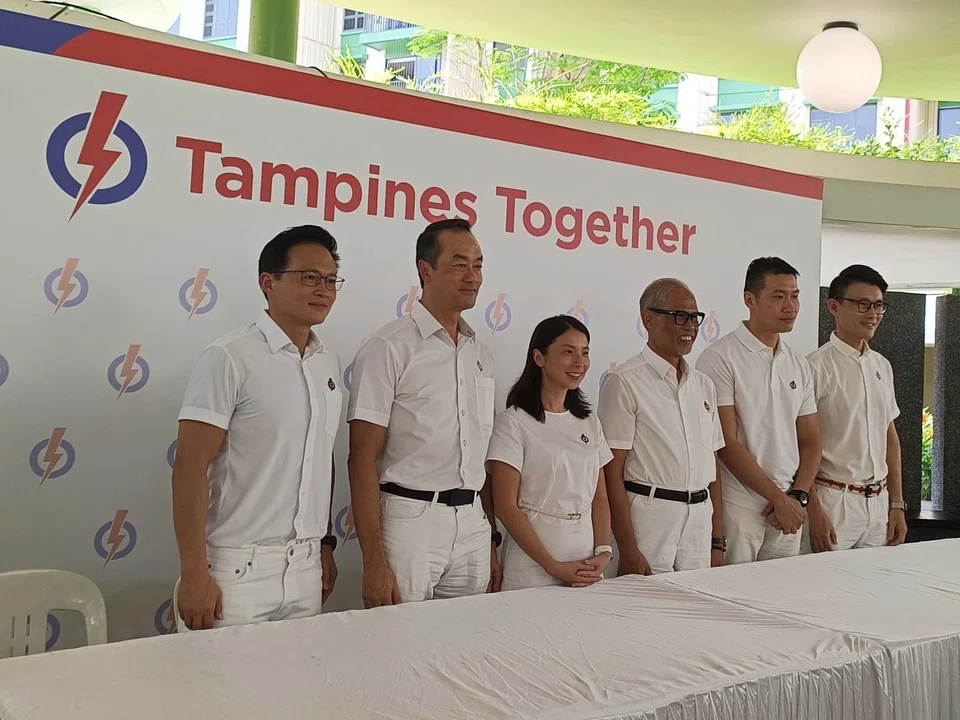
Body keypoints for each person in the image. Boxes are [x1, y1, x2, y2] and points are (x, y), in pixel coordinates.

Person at [172, 225, 343, 630]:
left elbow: (321, 458)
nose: (323, 289)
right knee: (216, 692)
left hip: (305, 567)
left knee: (293, 690)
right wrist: (195, 573)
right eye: (309, 277)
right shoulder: (229, 357)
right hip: (235, 570)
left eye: (331, 280)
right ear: (268, 282)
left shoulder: (327, 362)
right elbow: (190, 466)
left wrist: (325, 543)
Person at [347, 218, 501, 607]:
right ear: (425, 270)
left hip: (472, 522)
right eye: (460, 264)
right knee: (399, 650)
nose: (473, 276)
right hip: (410, 519)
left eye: (478, 265)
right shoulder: (389, 346)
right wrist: (373, 559)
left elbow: (482, 456)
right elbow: (361, 458)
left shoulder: (480, 353)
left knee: (464, 651)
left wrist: (490, 537)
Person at [696, 257, 822, 564]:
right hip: (740, 504)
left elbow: (811, 439)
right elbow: (726, 442)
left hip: (788, 508)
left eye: (794, 296)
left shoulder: (798, 363)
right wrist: (778, 498)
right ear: (749, 299)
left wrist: (798, 496)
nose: (790, 306)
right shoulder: (719, 358)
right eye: (778, 296)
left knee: (781, 603)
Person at [598, 279, 726, 575]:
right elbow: (610, 472)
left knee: (695, 615)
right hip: (649, 518)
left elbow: (714, 465)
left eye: (695, 318)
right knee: (641, 615)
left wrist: (717, 540)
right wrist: (628, 548)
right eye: (679, 316)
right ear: (649, 319)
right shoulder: (624, 381)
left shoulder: (704, 385)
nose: (690, 327)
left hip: (698, 520)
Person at [486, 315, 613, 591]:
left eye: (585, 352)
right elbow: (506, 507)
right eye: (568, 352)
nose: (580, 363)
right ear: (539, 357)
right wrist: (552, 566)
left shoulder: (589, 422)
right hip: (532, 566)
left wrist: (604, 552)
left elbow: (599, 497)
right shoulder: (513, 422)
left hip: (586, 565)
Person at [804, 265, 907, 552]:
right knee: (824, 592)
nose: (872, 314)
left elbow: (890, 437)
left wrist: (897, 504)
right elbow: (798, 445)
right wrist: (813, 510)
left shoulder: (881, 366)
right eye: (862, 304)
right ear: (834, 307)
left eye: (878, 305)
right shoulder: (815, 367)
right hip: (833, 500)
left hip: (878, 504)